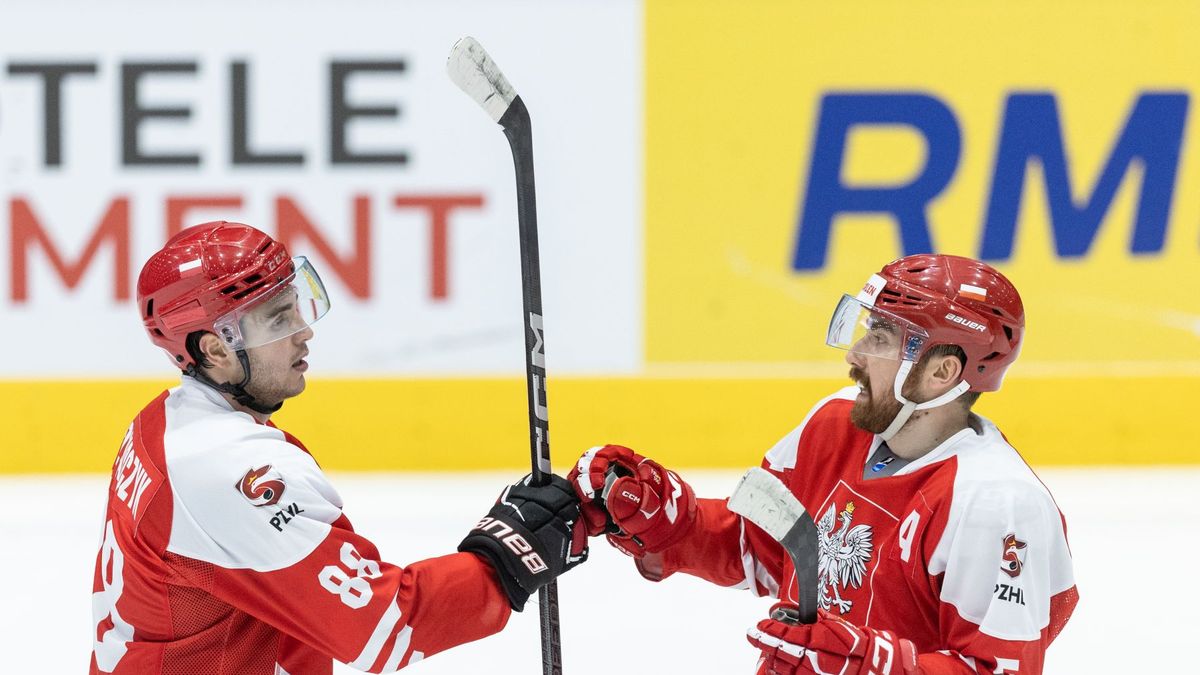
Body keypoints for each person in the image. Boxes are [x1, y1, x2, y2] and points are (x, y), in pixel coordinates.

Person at [90, 221, 588, 674]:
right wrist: (514, 549)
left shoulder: (166, 426)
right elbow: (386, 630)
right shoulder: (225, 469)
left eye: (296, 306)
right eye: (277, 320)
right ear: (215, 348)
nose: (303, 333)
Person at [570, 254, 1077, 675]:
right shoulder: (835, 423)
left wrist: (878, 666)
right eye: (866, 329)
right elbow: (760, 547)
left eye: (881, 337)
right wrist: (667, 519)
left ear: (942, 372)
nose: (854, 354)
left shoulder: (994, 503)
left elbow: (997, 669)